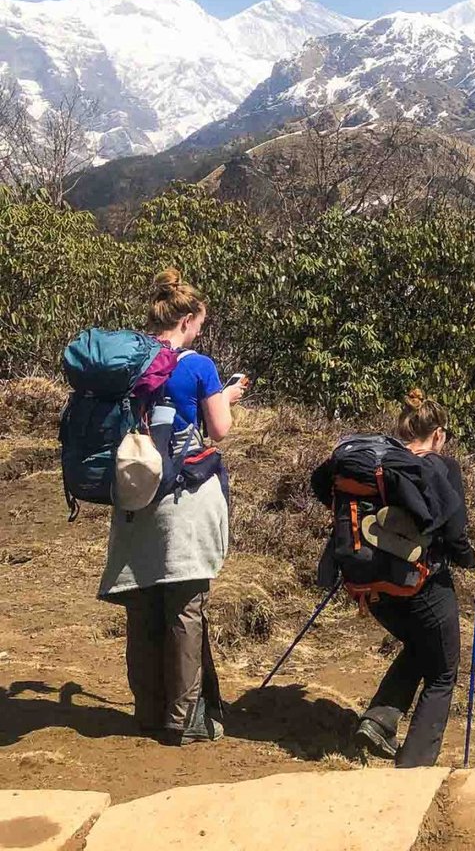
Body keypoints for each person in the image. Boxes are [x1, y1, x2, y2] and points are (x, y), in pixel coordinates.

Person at [98, 268, 247, 745]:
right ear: (185, 318)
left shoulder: (130, 362)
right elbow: (219, 429)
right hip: (181, 496)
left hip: (134, 492)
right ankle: (185, 720)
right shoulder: (198, 365)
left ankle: (147, 711)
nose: (201, 329)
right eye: (200, 320)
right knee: (185, 606)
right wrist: (227, 396)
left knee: (142, 606)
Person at [314, 391, 475, 768]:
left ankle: (380, 721)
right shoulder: (440, 468)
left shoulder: (376, 463)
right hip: (421, 584)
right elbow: (456, 539)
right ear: (438, 434)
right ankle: (414, 766)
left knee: (420, 646)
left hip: (367, 585)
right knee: (442, 673)